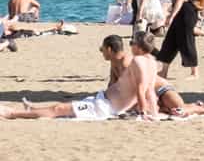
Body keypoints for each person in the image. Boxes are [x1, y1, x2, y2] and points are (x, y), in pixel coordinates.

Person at [1, 35, 157, 120]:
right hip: (102, 100)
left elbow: (142, 89)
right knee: (62, 106)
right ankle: (32, 110)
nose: (130, 45)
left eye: (132, 42)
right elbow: (146, 90)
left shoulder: (134, 62)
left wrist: (143, 112)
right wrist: (154, 112)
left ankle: (12, 114)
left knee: (58, 109)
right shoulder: (150, 62)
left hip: (104, 107)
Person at [155, 0, 204, 78]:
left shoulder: (187, 1)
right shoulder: (190, 3)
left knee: (186, 43)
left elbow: (179, 1)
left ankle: (194, 73)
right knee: (170, 43)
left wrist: (170, 16)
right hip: (182, 15)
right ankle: (164, 72)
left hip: (185, 14)